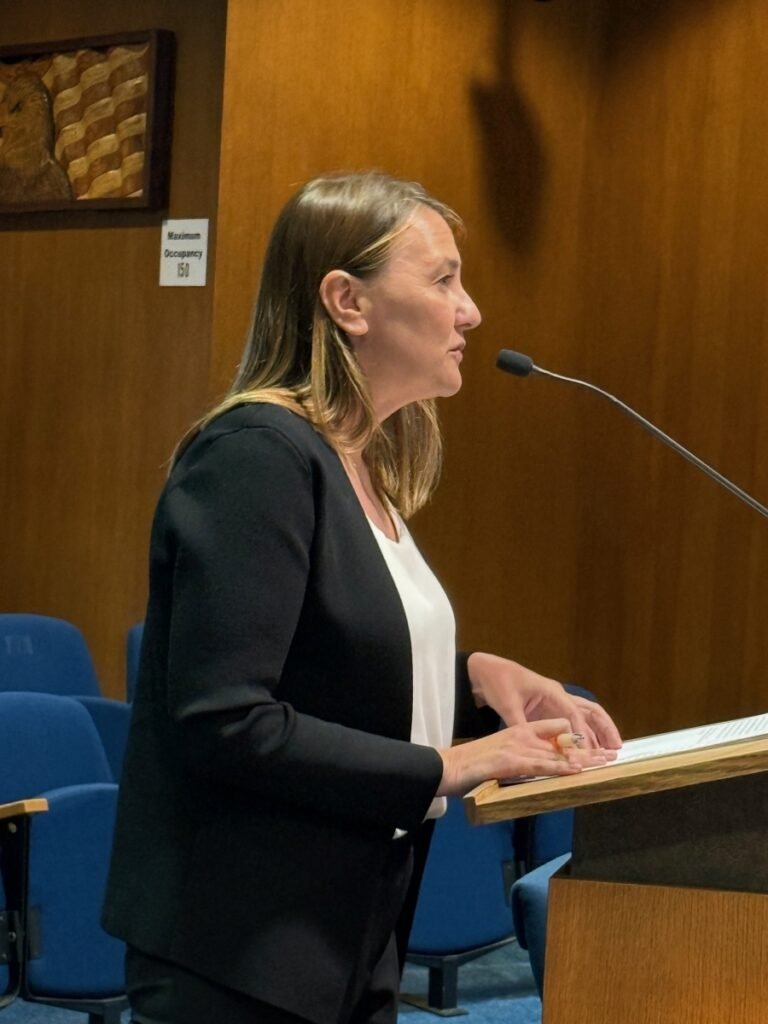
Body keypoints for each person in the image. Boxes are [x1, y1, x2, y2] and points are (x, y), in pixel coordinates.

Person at [103, 171, 621, 1024]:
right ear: (348, 301)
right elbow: (225, 719)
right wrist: (453, 764)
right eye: (444, 279)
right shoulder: (256, 456)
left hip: (349, 930)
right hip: (240, 948)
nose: (471, 312)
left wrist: (473, 677)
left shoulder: (355, 463)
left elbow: (328, 664)